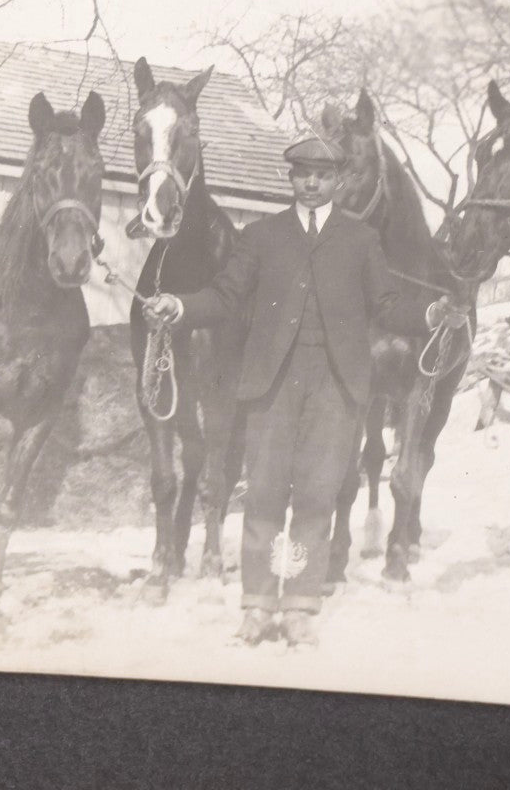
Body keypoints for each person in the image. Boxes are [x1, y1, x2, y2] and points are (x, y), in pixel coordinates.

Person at [144, 135, 464, 647]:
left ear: (337, 181)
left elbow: (386, 303)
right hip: (272, 384)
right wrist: (179, 307)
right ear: (290, 178)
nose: (312, 182)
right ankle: (255, 606)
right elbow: (225, 297)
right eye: (302, 173)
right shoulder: (261, 236)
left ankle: (299, 606)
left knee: (317, 497)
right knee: (265, 496)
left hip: (337, 387)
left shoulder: (361, 241)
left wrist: (430, 315)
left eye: (322, 174)